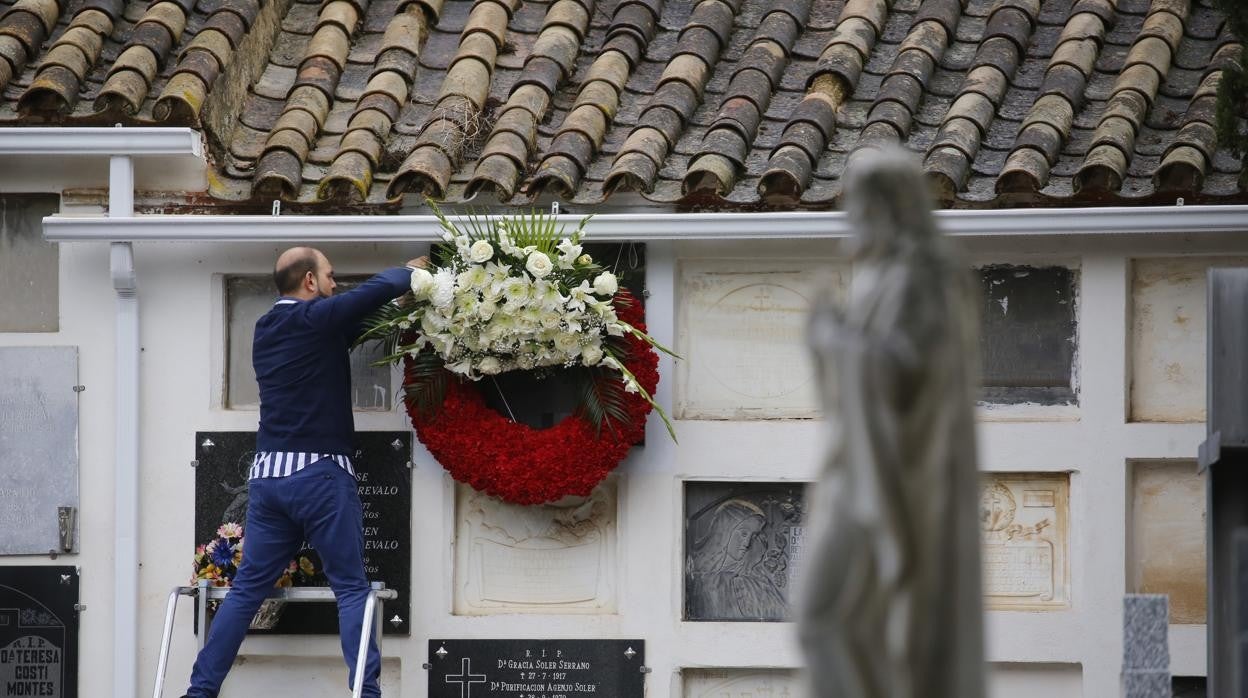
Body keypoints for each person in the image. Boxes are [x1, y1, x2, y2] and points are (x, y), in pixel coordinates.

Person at [183, 247, 424, 698]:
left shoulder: (267, 327)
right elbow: (377, 290)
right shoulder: (313, 319)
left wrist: (395, 310)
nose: (336, 286)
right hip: (320, 474)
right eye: (332, 277)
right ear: (310, 282)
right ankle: (366, 694)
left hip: (269, 478)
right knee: (352, 590)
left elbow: (350, 326)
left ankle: (199, 691)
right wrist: (409, 274)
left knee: (246, 591)